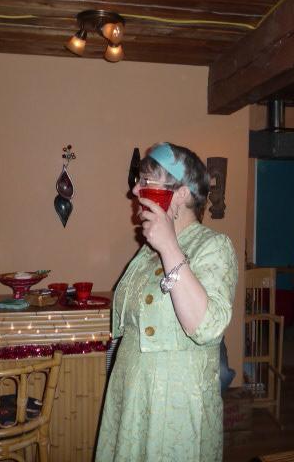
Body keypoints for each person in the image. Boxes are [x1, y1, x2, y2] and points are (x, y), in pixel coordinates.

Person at [95, 142, 238, 462]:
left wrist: (170, 247)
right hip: (133, 396)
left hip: (175, 406)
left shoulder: (213, 246)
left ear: (182, 194)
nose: (135, 190)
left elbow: (207, 327)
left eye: (147, 181)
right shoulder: (148, 251)